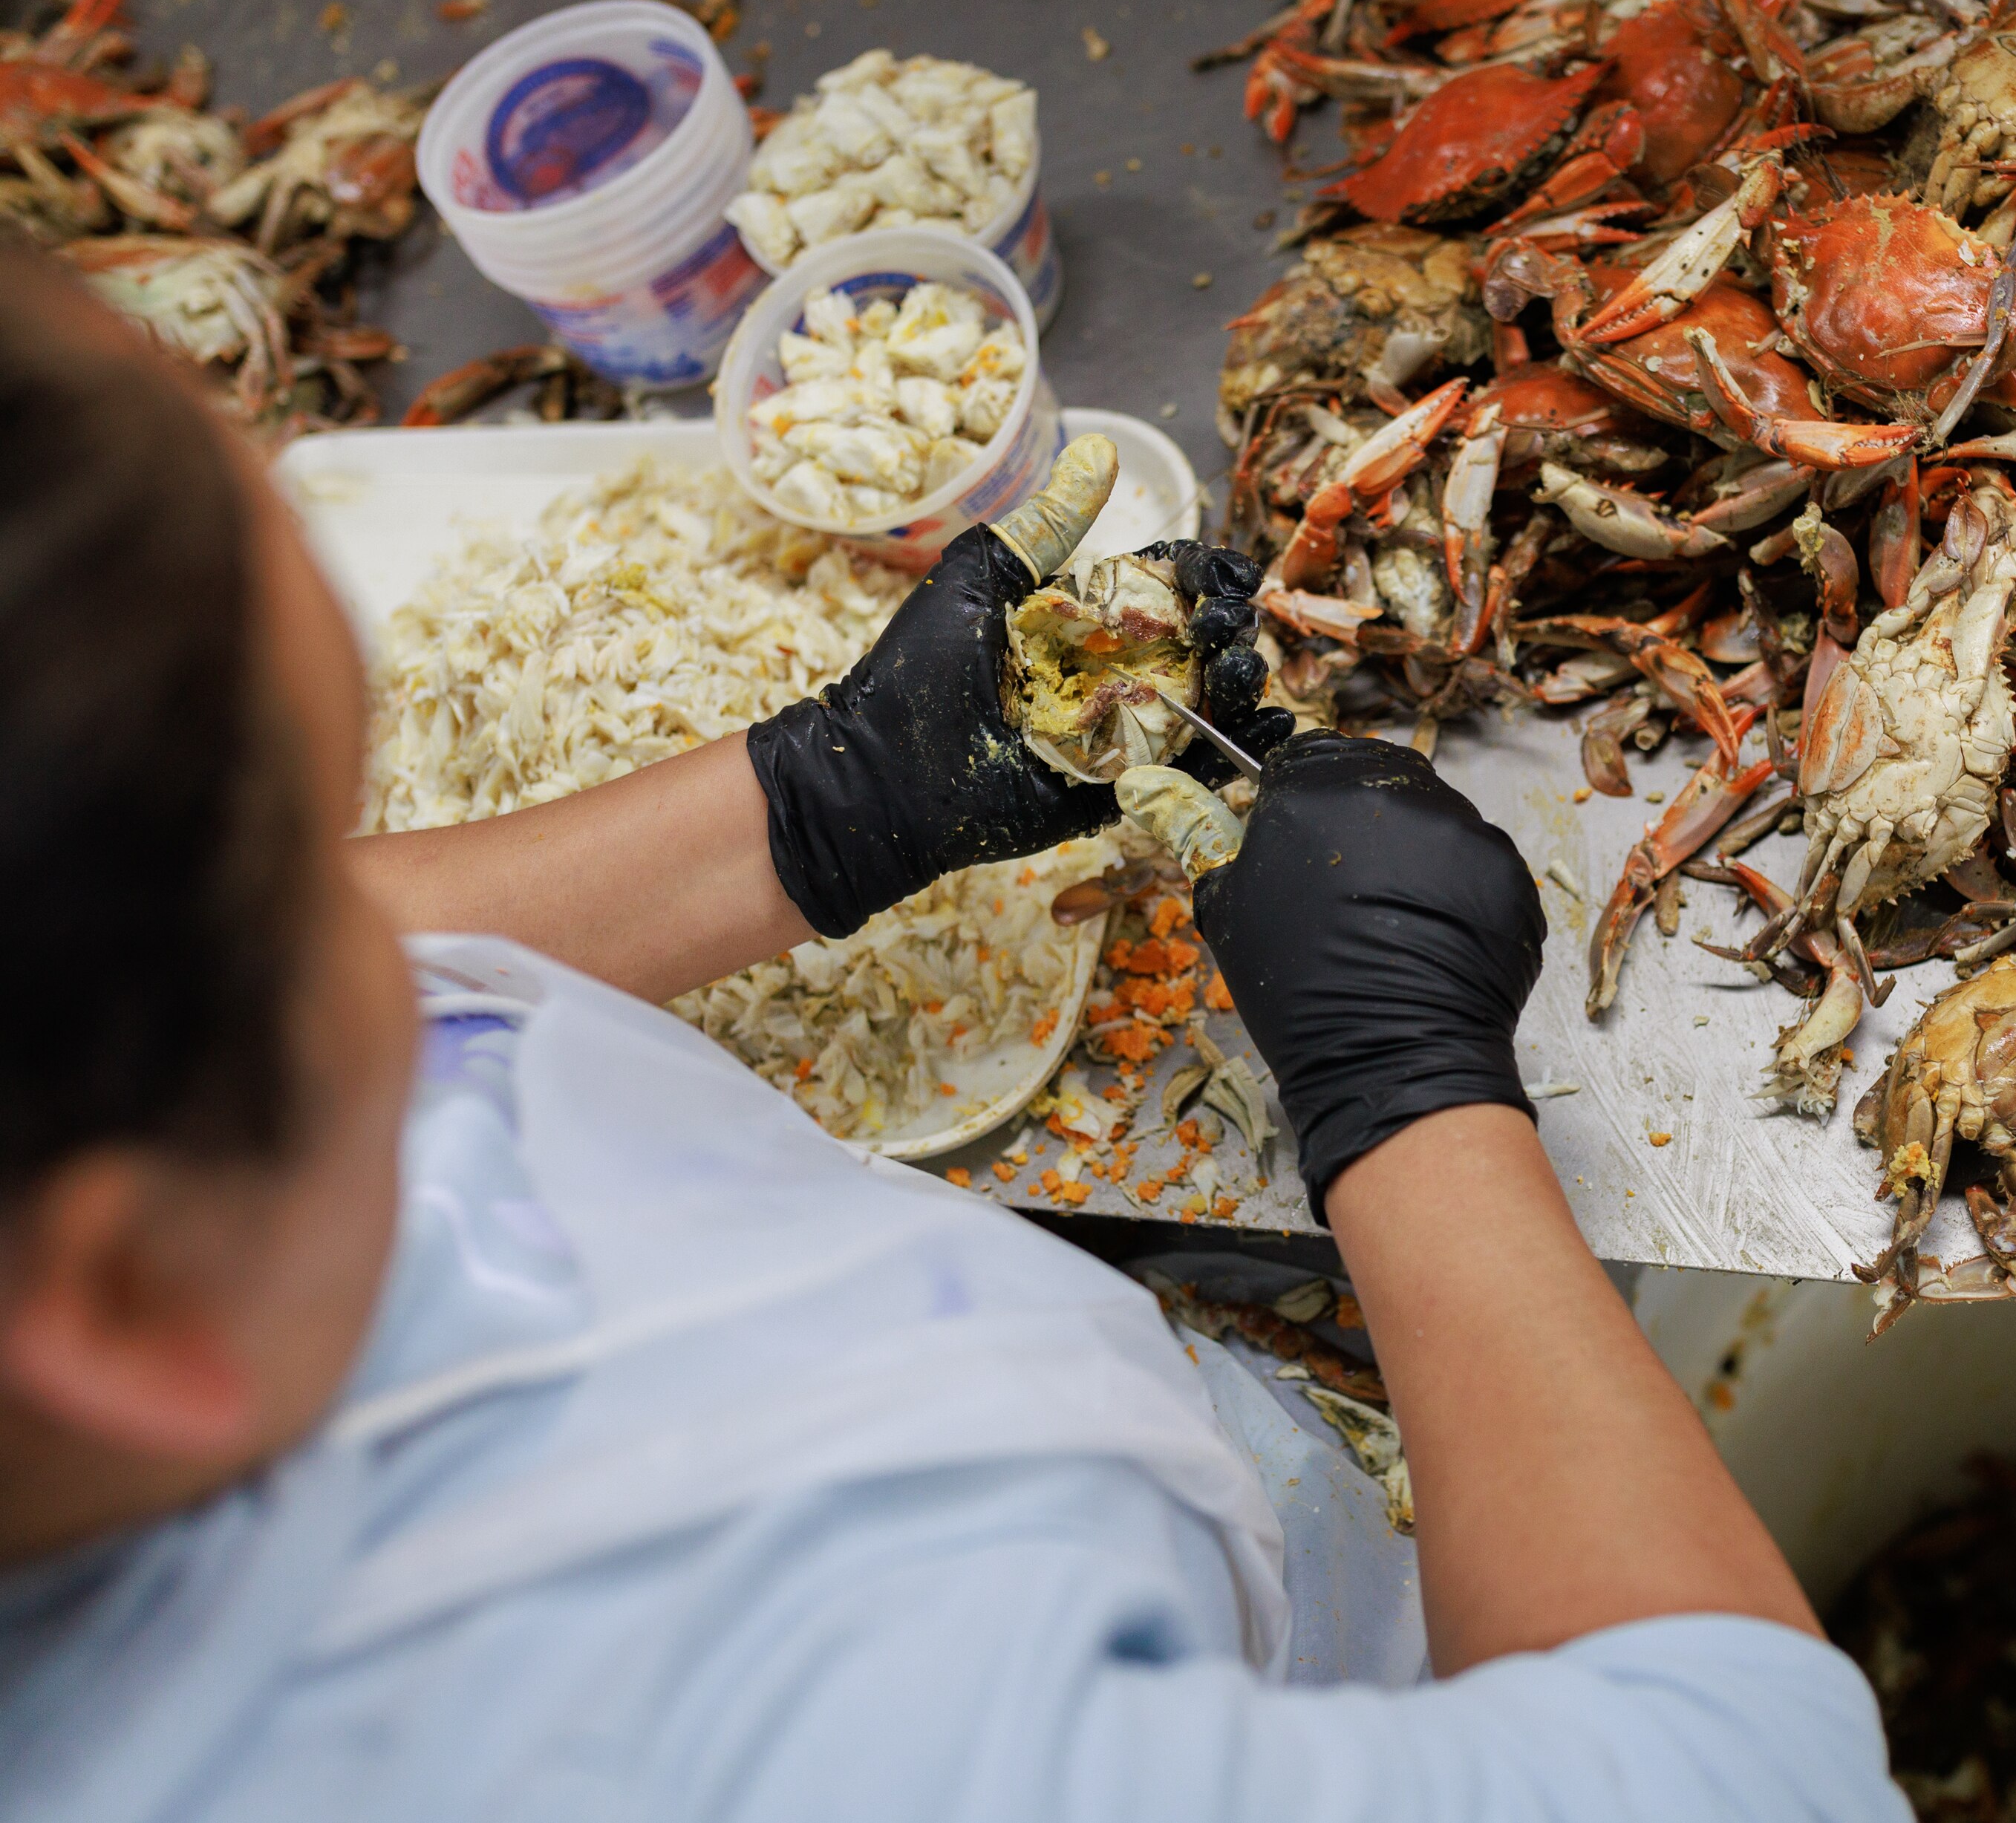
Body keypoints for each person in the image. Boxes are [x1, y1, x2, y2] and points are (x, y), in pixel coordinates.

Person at [0, 243, 1905, 1821]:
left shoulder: (99, 1130)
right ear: (134, 1295)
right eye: (295, 872)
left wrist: (819, 800)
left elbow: (295, 939)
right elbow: (1740, 1773)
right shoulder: (797, 1718)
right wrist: (1408, 1101)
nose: (370, 903)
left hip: (1150, 1432)